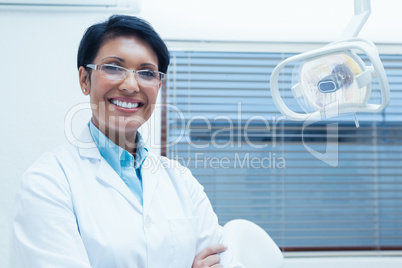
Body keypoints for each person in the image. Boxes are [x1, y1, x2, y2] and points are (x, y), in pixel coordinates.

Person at [13, 15, 244, 268]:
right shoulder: (48, 183)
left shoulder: (181, 181)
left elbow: (227, 261)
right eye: (113, 67)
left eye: (147, 73)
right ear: (84, 80)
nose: (131, 85)